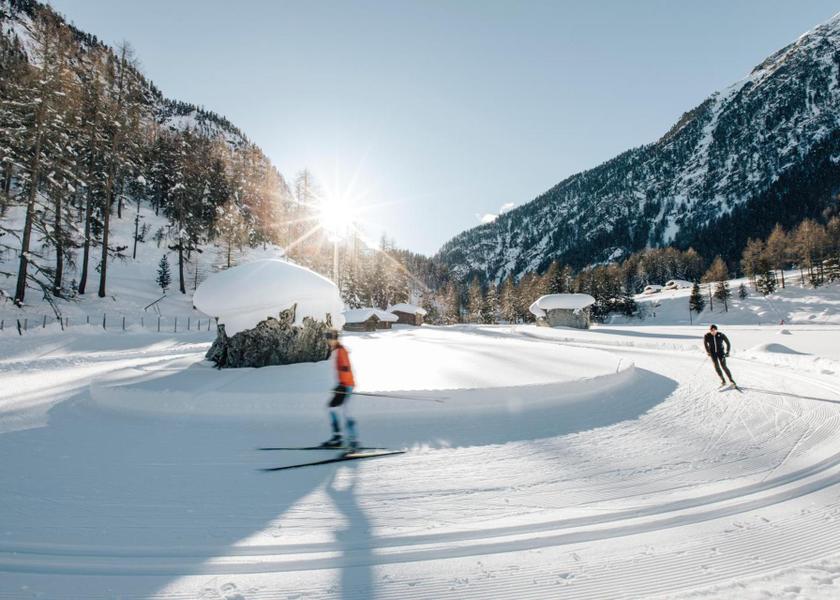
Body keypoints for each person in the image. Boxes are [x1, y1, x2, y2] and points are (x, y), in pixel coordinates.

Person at [322, 330, 358, 449]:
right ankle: (338, 438)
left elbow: (346, 369)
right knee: (333, 408)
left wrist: (342, 385)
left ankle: (352, 442)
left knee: (345, 411)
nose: (329, 341)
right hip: (344, 385)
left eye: (331, 339)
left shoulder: (341, 351)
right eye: (328, 339)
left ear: (336, 339)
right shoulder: (337, 350)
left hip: (346, 385)